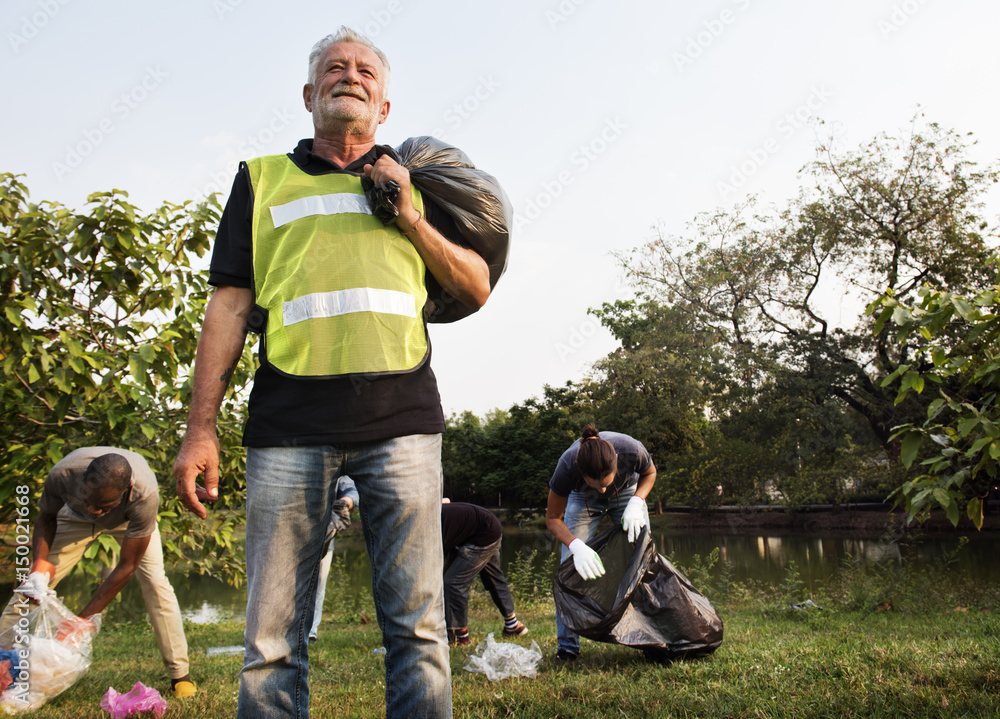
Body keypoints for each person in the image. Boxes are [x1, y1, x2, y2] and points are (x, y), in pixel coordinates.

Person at [173, 26, 491, 719]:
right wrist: (201, 429)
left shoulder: (418, 184)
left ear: (384, 106)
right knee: (271, 642)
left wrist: (408, 213)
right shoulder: (261, 179)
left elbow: (475, 285)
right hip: (287, 429)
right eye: (334, 69)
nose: (350, 75)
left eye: (365, 70)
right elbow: (228, 306)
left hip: (402, 427)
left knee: (418, 630)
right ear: (310, 94)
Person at [22, 447, 195, 697]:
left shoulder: (144, 496)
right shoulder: (62, 474)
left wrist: (82, 620)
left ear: (126, 490)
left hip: (127, 522)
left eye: (102, 505)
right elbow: (46, 517)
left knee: (156, 583)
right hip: (72, 516)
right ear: (82, 481)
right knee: (30, 588)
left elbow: (127, 566)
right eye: (89, 499)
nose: (94, 510)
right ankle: (4, 662)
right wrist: (39, 567)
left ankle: (180, 676)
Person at [545, 424, 657, 661]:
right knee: (569, 569)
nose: (603, 489)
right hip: (583, 500)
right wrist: (575, 545)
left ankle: (650, 638)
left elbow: (650, 473)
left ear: (616, 459)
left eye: (606, 482)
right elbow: (553, 518)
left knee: (643, 560)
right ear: (580, 471)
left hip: (627, 492)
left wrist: (637, 501)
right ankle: (567, 648)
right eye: (597, 484)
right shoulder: (567, 467)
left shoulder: (631, 449)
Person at [440, 501, 527, 646]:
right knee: (493, 578)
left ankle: (459, 636)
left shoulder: (427, 526)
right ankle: (513, 625)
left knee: (453, 582)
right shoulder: (433, 515)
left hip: (483, 532)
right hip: (489, 525)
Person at [309, 476, 359, 642]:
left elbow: (353, 492)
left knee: (318, 585)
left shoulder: (339, 476)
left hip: (325, 538)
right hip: (296, 537)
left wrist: (344, 502)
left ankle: (311, 630)